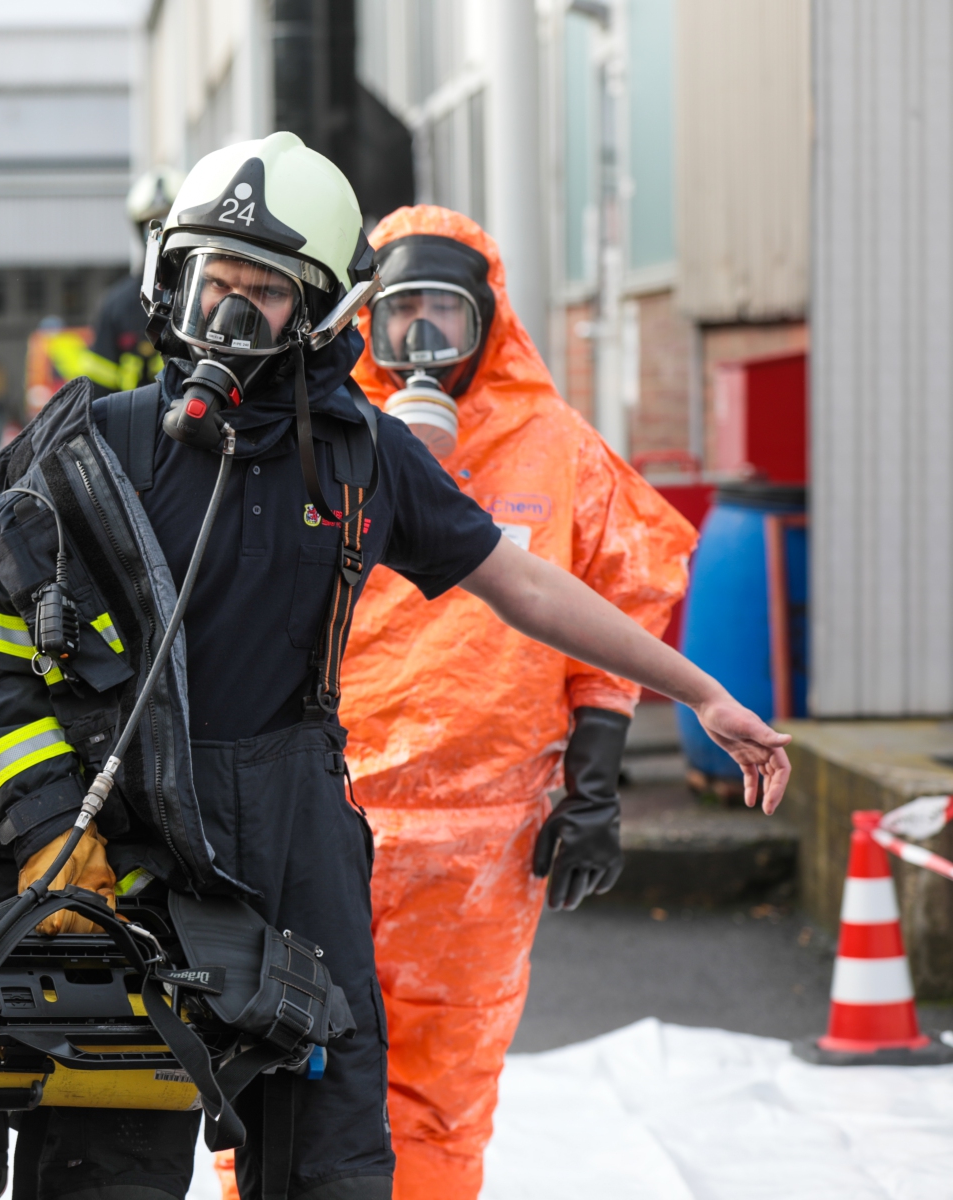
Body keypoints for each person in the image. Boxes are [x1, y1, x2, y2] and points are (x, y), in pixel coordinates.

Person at [0, 133, 789, 1200]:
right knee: (109, 1166)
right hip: (133, 842)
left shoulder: (363, 456)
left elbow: (525, 586)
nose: (229, 315)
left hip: (299, 842)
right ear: (171, 279)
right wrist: (49, 824)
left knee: (328, 1158)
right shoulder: (96, 446)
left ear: (325, 311)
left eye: (265, 292)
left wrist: (702, 691)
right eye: (214, 281)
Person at [336, 204, 699, 1200]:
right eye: (399, 313)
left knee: (444, 1088)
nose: (420, 341)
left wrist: (595, 784)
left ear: (488, 321)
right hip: (319, 813)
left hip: (486, 834)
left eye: (443, 315)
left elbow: (623, 595)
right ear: (364, 320)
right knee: (290, 1065)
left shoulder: (551, 447)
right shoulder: (323, 436)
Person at [49, 166, 185, 390]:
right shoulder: (117, 307)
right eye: (152, 225)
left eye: (168, 220)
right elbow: (100, 394)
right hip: (139, 413)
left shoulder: (213, 291)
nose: (161, 233)